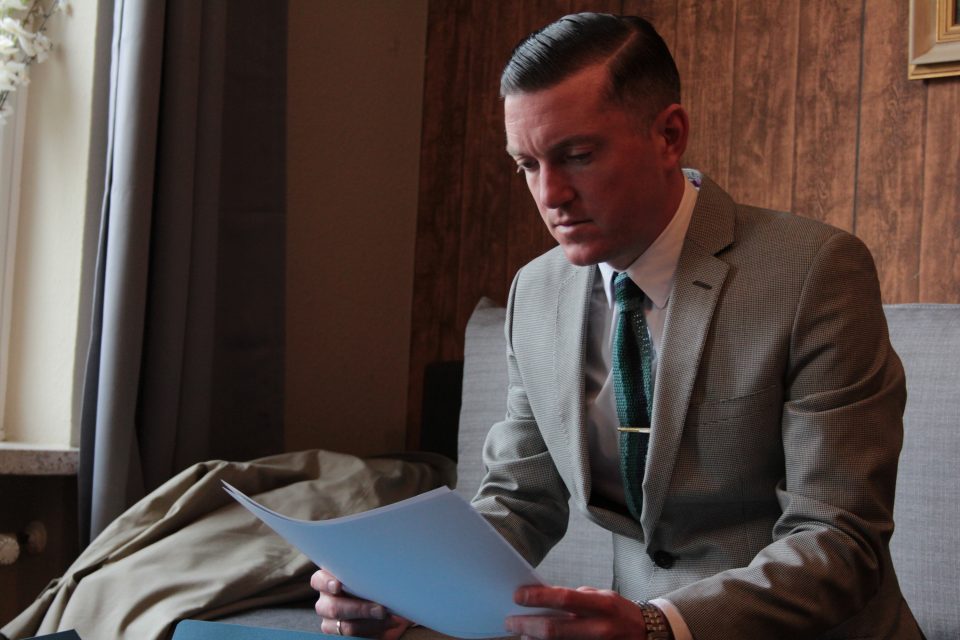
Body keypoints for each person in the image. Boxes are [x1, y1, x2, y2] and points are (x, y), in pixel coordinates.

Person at [312, 12, 924, 640]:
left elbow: (838, 541)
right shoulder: (538, 291)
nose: (550, 195)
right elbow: (521, 498)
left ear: (669, 134)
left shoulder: (813, 271)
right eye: (526, 165)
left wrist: (659, 628)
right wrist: (405, 587)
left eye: (576, 156)